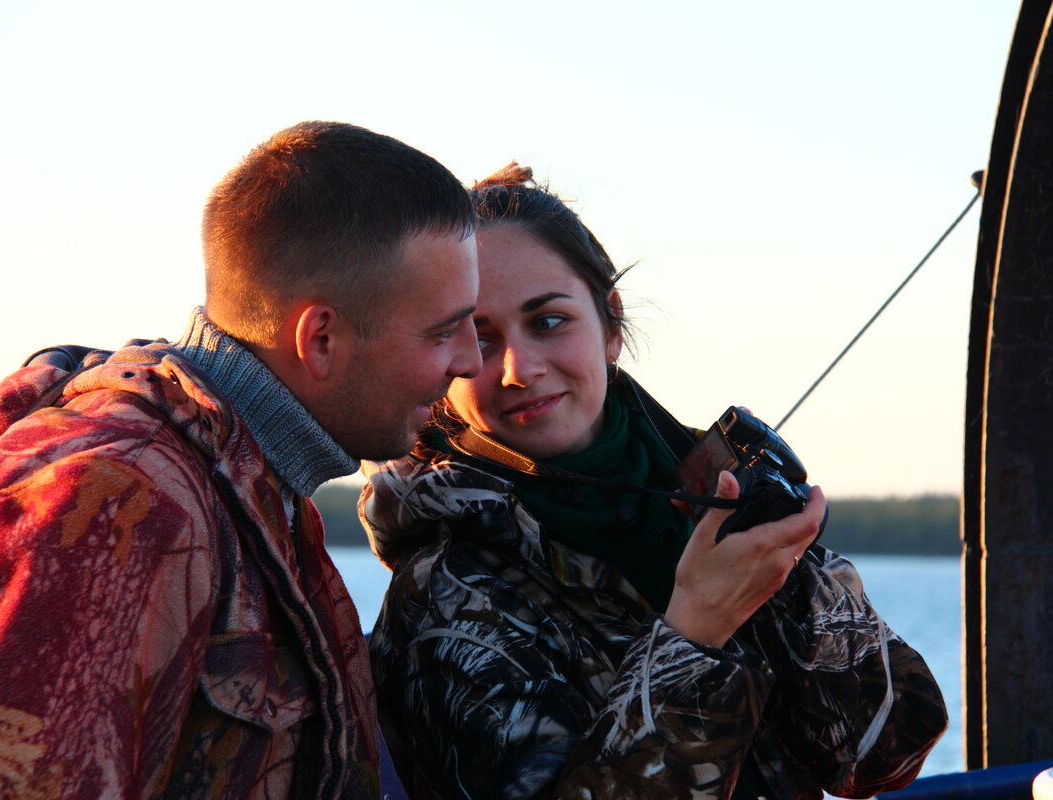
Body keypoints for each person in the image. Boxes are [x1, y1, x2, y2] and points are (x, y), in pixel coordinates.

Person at [0, 121, 481, 800]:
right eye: (444, 330)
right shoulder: (115, 506)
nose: (472, 360)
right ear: (320, 338)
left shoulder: (256, 496)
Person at [360, 164, 948, 800]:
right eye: (480, 336)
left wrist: (788, 578)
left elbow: (885, 755)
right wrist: (696, 631)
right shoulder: (446, 598)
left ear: (610, 325)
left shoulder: (703, 498)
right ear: (446, 359)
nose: (518, 368)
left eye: (549, 321)